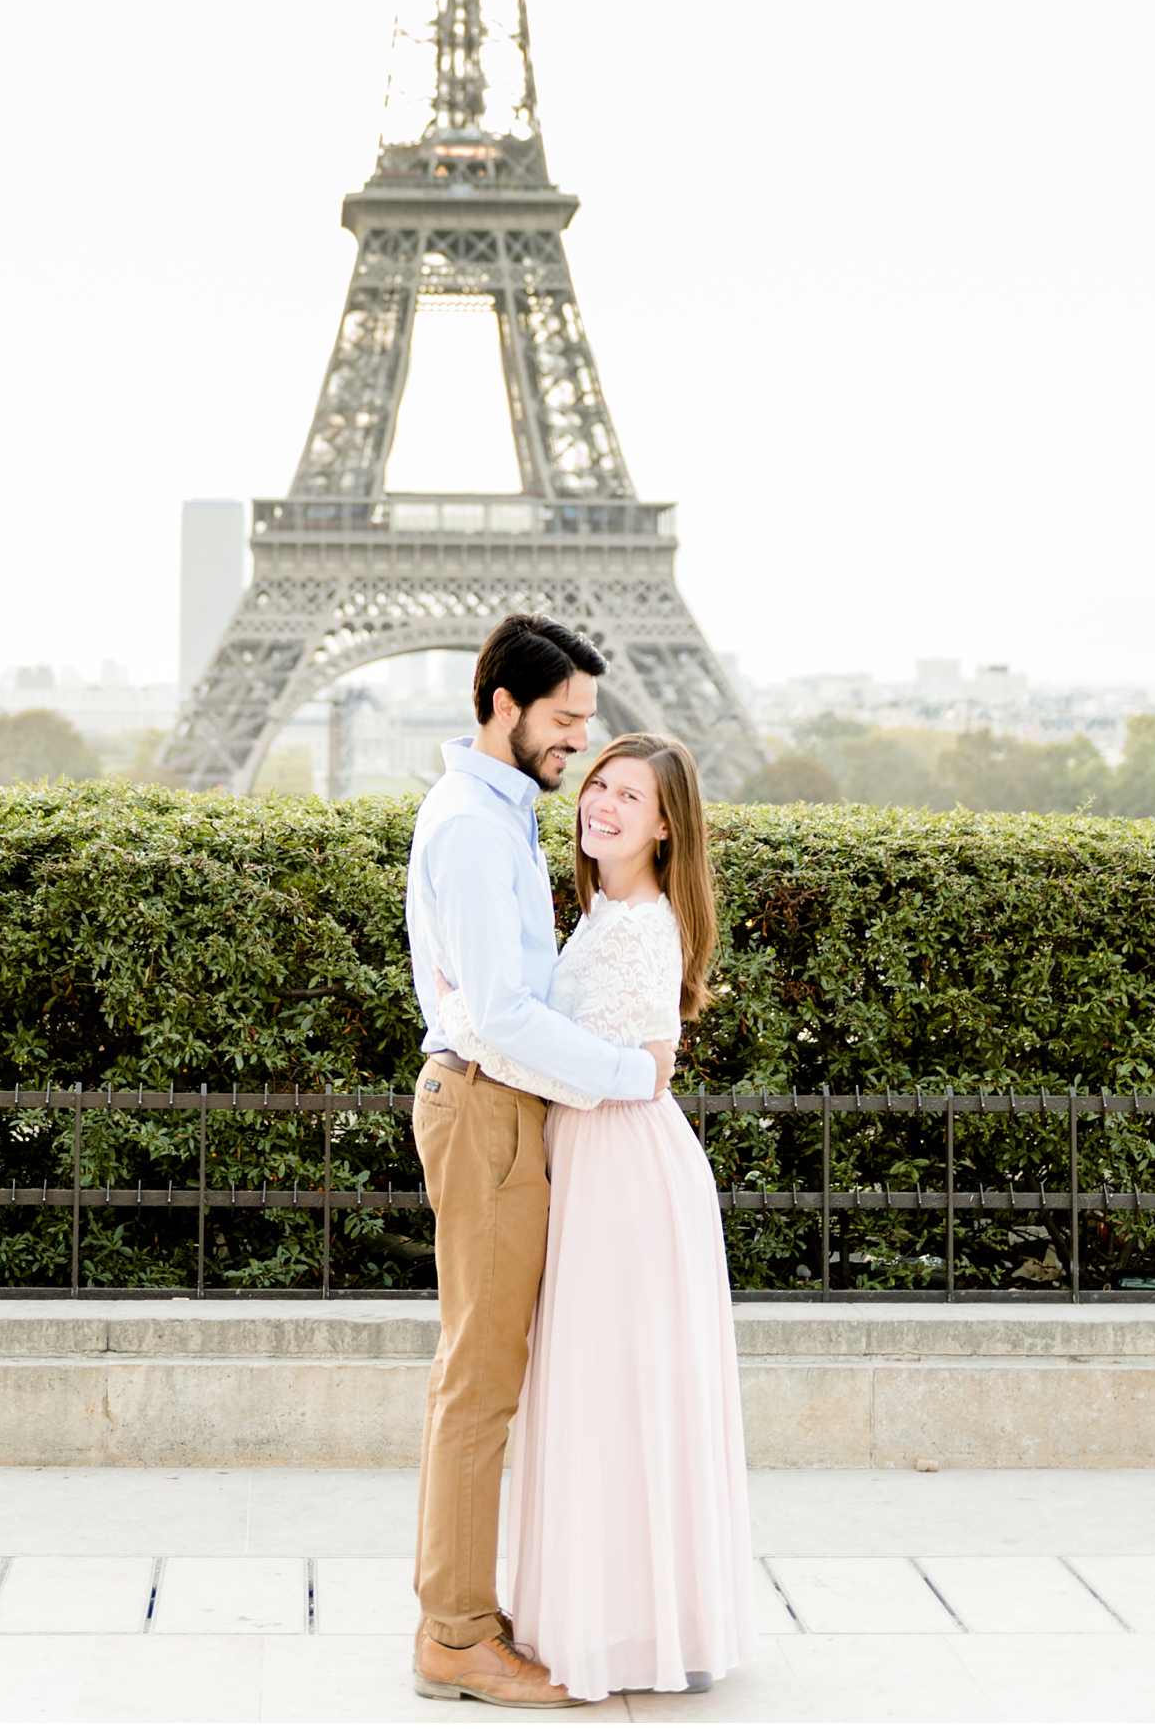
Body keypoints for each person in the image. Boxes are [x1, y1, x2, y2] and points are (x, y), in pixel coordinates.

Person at [405, 614, 677, 1711]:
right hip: (488, 1107)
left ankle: (463, 1607)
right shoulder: (475, 826)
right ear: (504, 706)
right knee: (481, 1380)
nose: (579, 743)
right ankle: (457, 1633)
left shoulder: (499, 812)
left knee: (486, 1372)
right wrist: (627, 1071)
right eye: (564, 720)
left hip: (499, 1104)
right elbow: (505, 1011)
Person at [493, 734, 756, 1703]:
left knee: (611, 1390)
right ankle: (625, 1616)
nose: (600, 802)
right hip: (607, 1156)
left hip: (622, 1163)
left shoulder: (642, 923)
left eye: (628, 793)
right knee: (611, 1391)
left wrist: (486, 1034)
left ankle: (618, 1625)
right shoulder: (606, 913)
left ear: (665, 824)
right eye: (596, 783)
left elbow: (648, 1063)